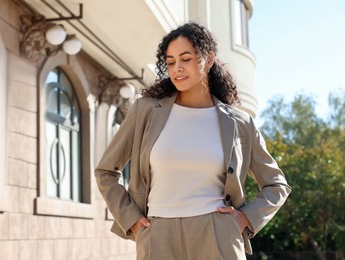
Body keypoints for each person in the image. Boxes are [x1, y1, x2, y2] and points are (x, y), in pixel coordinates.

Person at [95, 21, 291, 260]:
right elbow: (105, 171)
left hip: (217, 235)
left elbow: (276, 184)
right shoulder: (145, 111)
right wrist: (132, 220)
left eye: (186, 59)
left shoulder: (240, 123)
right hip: (158, 234)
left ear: (208, 59)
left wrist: (245, 218)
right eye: (170, 62)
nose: (177, 68)